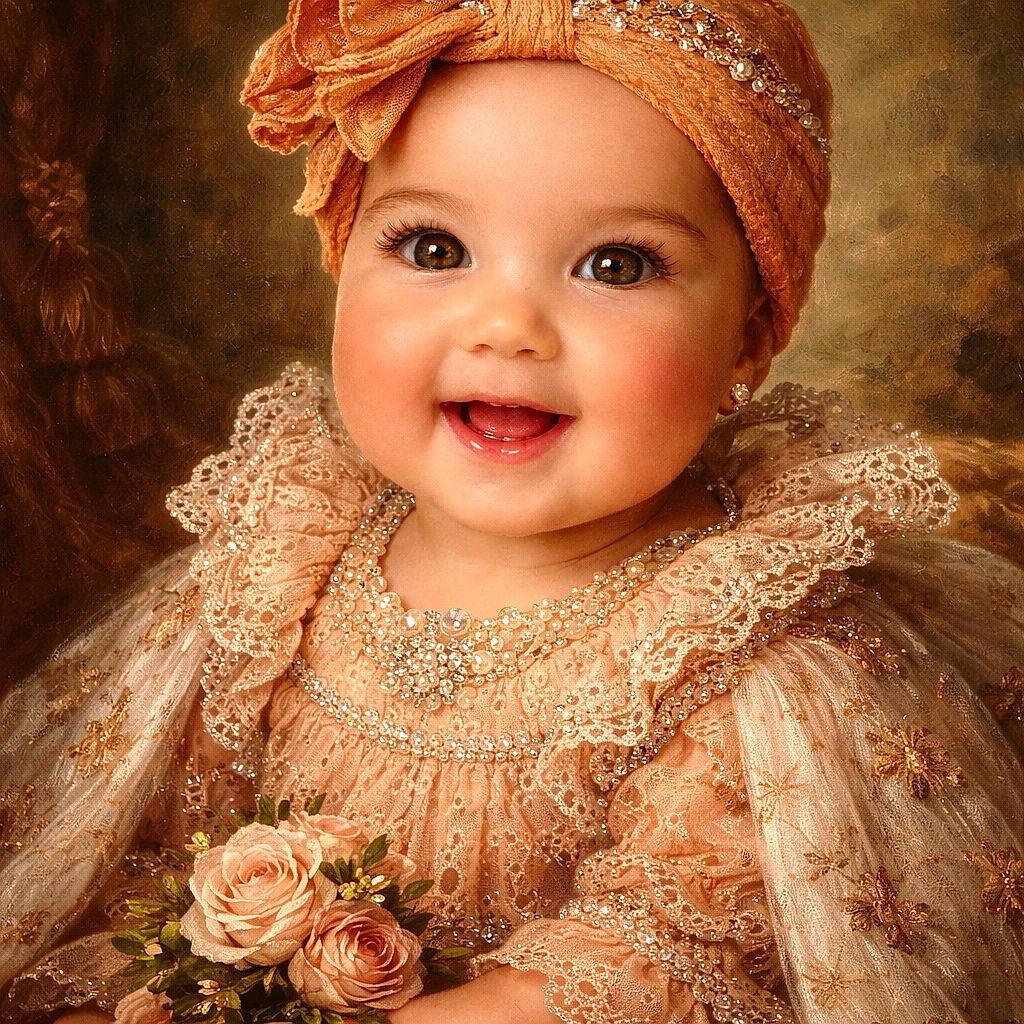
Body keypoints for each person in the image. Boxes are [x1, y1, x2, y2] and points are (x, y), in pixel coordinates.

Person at [2, 0, 1021, 1021]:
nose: (508, 326)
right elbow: (138, 858)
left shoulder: (744, 646)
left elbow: (670, 954)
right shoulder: (277, 572)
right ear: (340, 255)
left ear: (749, 340)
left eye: (614, 265)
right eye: (434, 248)